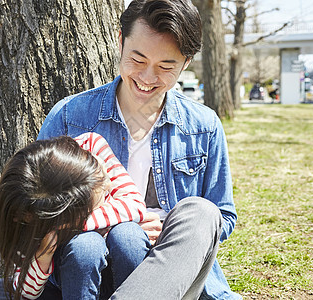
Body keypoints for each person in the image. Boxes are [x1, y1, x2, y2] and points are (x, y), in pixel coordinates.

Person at [37, 0, 241, 299]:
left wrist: (167, 230)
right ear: (121, 42)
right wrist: (106, 223)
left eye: (165, 66)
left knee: (201, 212)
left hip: (167, 271)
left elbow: (222, 216)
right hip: (85, 265)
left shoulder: (203, 125)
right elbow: (38, 205)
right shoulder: (70, 115)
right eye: (138, 59)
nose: (147, 78)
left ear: (185, 63)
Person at [0, 132, 148, 300]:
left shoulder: (90, 146)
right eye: (100, 192)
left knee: (128, 234)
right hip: (66, 284)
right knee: (85, 246)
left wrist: (68, 226)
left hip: (119, 277)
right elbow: (25, 292)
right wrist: (43, 255)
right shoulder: (32, 213)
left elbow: (135, 205)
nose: (109, 185)